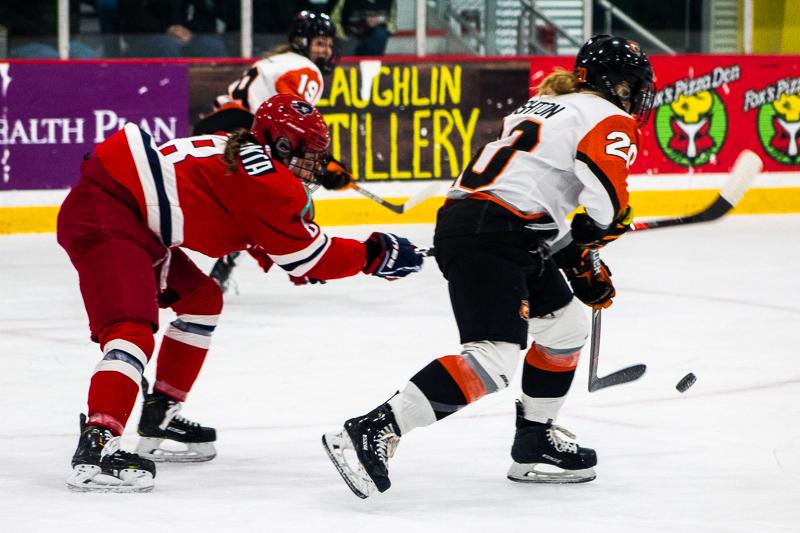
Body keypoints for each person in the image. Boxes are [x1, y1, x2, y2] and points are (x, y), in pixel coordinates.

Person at [322, 34, 655, 498]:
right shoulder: (608, 117)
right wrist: (600, 233)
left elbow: (533, 194)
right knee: (493, 360)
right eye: (634, 88)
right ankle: (374, 429)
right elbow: (604, 203)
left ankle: (534, 441)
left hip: (495, 227)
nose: (635, 99)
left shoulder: (543, 107)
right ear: (618, 85)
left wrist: (577, 258)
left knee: (565, 329)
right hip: (495, 233)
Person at [58, 94, 424, 492]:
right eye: (307, 155)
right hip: (110, 216)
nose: (311, 168)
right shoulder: (269, 180)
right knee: (131, 330)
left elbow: (239, 217)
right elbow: (308, 256)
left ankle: (158, 416)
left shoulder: (245, 155)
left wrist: (284, 258)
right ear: (281, 146)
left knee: (202, 300)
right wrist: (375, 254)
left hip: (129, 214)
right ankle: (97, 447)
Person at [194, 10, 342, 293]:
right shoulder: (307, 70)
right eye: (320, 43)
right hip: (241, 131)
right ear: (302, 41)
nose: (327, 50)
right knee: (279, 196)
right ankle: (302, 258)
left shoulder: (273, 60)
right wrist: (325, 165)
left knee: (238, 208)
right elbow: (297, 120)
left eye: (329, 44)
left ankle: (220, 269)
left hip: (217, 128)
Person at [118, 0, 228, 58]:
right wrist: (167, 29)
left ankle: (212, 96)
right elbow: (132, 18)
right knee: (167, 45)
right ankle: (174, 96)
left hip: (182, 37)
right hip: (145, 37)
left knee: (212, 46)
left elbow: (205, 15)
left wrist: (190, 31)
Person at [330, 0, 396, 56]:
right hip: (349, 37)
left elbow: (391, 24)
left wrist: (378, 21)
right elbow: (333, 19)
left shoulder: (389, 1)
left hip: (374, 41)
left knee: (380, 34)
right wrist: (342, 37)